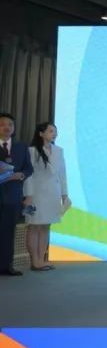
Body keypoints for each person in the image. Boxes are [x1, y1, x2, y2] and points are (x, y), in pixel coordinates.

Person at [21, 122, 67, 271]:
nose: (54, 134)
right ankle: (35, 261)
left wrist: (64, 194)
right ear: (41, 133)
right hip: (36, 194)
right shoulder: (32, 151)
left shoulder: (59, 151)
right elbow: (28, 176)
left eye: (55, 131)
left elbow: (62, 174)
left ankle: (42, 259)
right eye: (51, 131)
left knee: (46, 226)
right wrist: (28, 195)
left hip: (53, 193)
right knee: (34, 226)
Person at [0, 112, 33, 276]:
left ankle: (6, 266)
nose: (7, 127)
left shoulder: (21, 147)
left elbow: (29, 169)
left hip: (12, 196)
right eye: (2, 124)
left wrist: (20, 175)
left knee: (8, 232)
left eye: (10, 124)